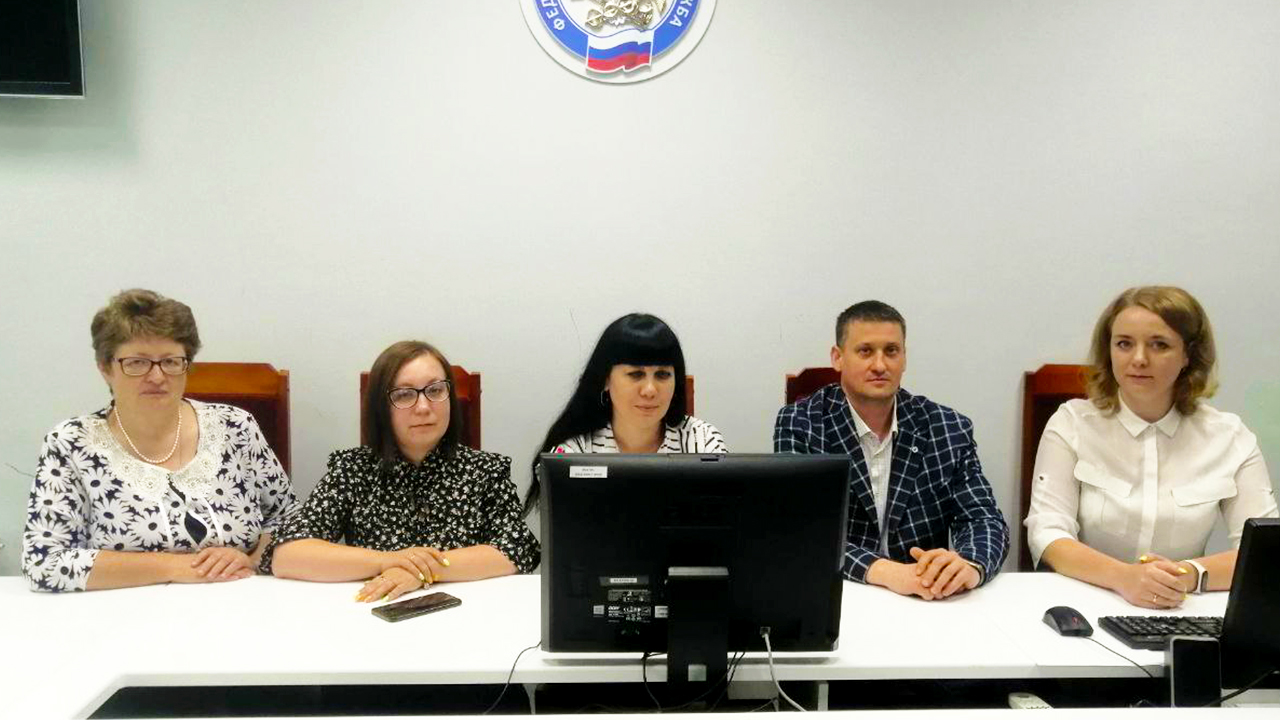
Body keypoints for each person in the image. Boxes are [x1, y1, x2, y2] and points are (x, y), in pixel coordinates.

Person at [21, 289, 298, 592]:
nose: (156, 376)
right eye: (137, 362)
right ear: (105, 368)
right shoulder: (71, 444)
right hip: (120, 613)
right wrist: (178, 568)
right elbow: (45, 563)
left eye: (170, 361)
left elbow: (290, 519)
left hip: (240, 603)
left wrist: (253, 559)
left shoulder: (235, 426)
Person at [1025, 286, 1277, 609]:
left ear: (1188, 355)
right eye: (1124, 344)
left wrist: (1187, 575)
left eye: (1159, 345)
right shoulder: (1071, 424)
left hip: (1183, 604)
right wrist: (1124, 578)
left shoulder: (1230, 437)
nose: (1139, 359)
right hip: (1087, 601)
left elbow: (1264, 551)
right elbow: (1047, 533)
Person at [266, 340, 539, 603]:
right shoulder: (352, 470)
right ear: (381, 408)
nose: (423, 407)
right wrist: (388, 561)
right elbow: (287, 555)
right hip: (373, 614)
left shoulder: (485, 471)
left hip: (464, 614)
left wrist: (423, 571)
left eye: (435, 390)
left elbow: (517, 549)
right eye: (404, 395)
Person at [774, 300, 1009, 600]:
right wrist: (887, 572)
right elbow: (799, 528)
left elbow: (984, 519)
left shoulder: (947, 427)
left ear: (904, 357)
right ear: (838, 358)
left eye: (891, 351)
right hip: (842, 595)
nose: (880, 365)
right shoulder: (801, 423)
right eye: (865, 351)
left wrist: (968, 565)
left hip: (927, 601)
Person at [524, 313, 727, 515]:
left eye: (662, 375)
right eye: (636, 374)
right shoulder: (574, 451)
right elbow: (567, 528)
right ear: (605, 380)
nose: (650, 390)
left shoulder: (702, 441)